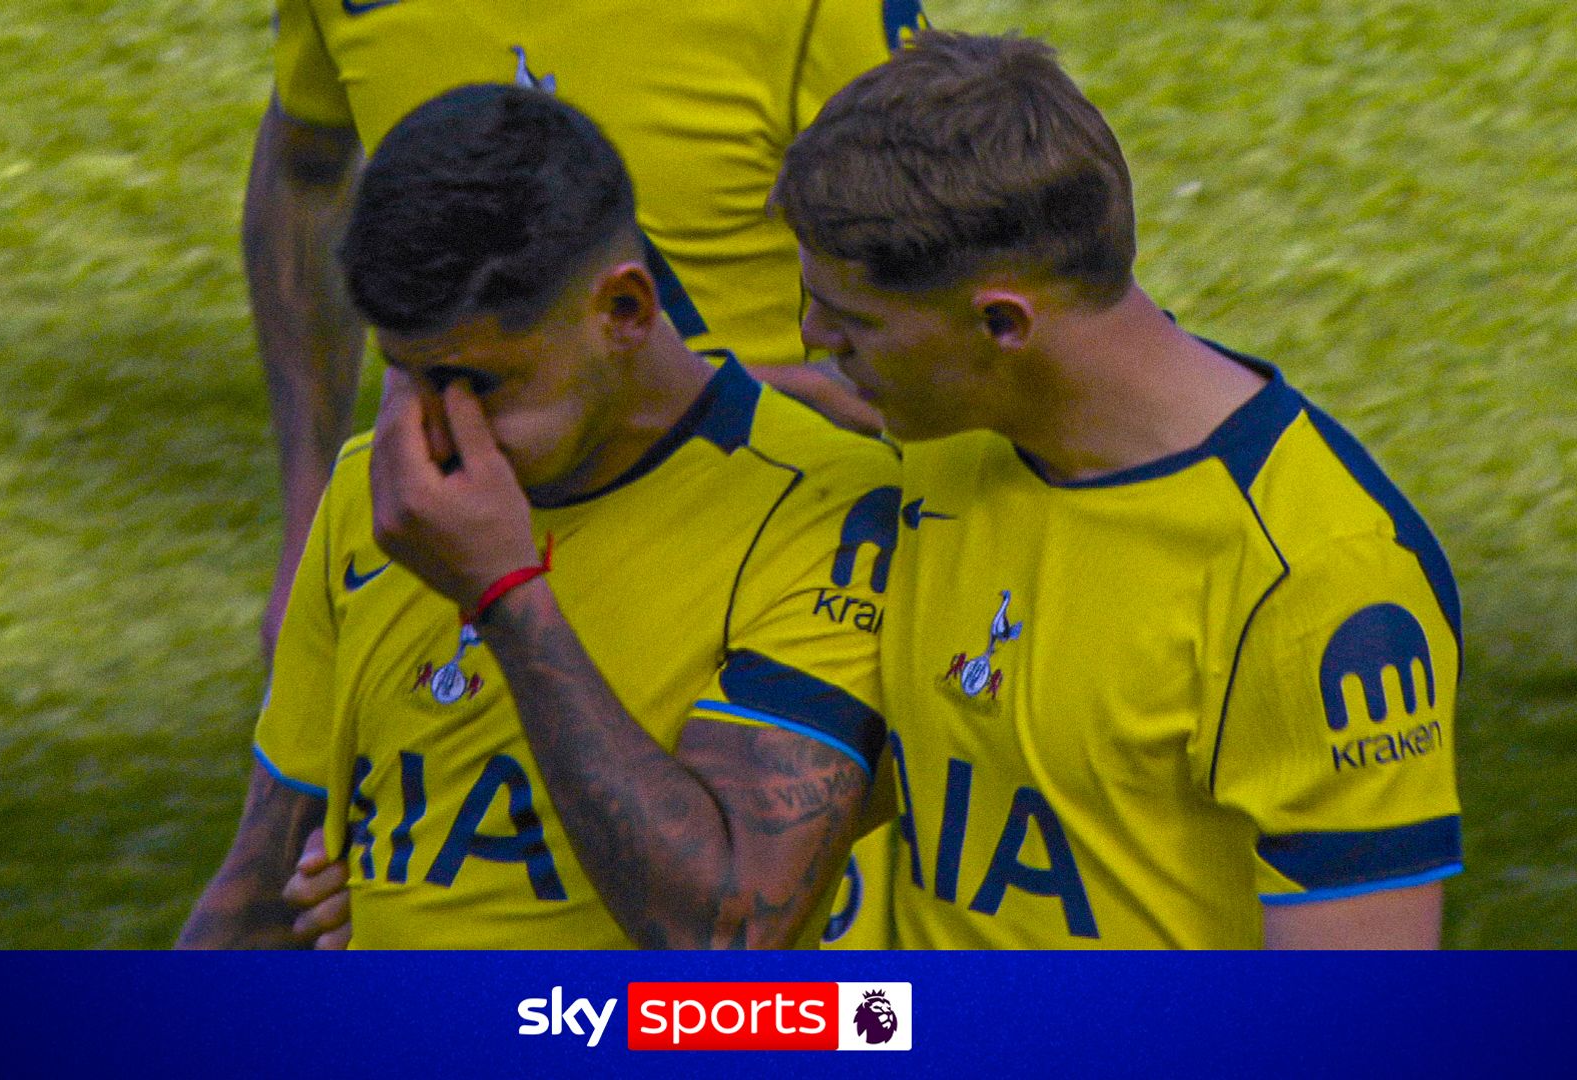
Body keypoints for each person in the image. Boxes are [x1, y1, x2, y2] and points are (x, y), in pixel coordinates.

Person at [773, 31, 1464, 948]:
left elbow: (1354, 1023)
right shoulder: (940, 443)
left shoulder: (1316, 582)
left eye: (852, 318)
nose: (814, 338)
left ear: (1001, 321)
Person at [181, 84, 895, 949]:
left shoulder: (825, 510)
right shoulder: (378, 488)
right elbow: (263, 884)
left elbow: (725, 939)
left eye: (476, 382)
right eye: (405, 374)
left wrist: (507, 596)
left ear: (624, 313)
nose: (433, 434)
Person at [249, 0, 923, 658]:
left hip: (759, 549)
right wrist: (308, 523)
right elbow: (305, 170)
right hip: (455, 535)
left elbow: (943, 280)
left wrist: (723, 404)